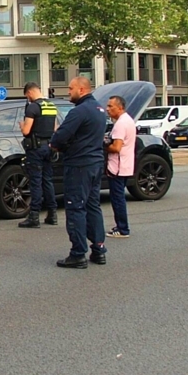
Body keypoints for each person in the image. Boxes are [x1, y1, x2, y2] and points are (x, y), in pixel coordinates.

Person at [49, 76, 108, 269]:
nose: (68, 92)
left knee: (76, 207)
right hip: (96, 163)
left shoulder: (79, 111)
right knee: (93, 206)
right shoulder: (100, 110)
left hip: (79, 164)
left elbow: (61, 136)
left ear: (82, 90)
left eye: (70, 88)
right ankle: (99, 249)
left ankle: (78, 253)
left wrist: (56, 144)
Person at [17, 82, 58, 228]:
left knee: (35, 181)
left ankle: (34, 216)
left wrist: (21, 125)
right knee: (47, 180)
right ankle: (52, 214)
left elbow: (26, 131)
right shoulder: (51, 106)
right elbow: (55, 128)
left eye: (26, 96)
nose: (27, 98)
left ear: (29, 92)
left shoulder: (33, 107)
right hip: (48, 147)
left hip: (35, 148)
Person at [104, 95, 136, 239]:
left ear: (120, 107)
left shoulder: (120, 124)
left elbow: (116, 147)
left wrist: (104, 146)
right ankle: (121, 226)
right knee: (118, 197)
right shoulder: (128, 120)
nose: (107, 109)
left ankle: (123, 228)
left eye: (111, 106)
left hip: (117, 166)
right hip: (125, 165)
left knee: (117, 198)